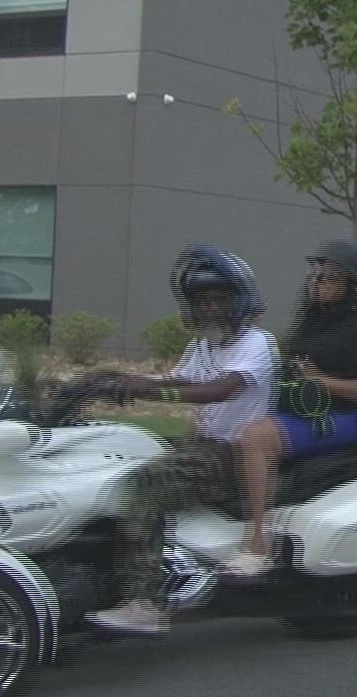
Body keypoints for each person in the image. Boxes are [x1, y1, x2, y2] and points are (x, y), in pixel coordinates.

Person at [77, 244, 278, 636]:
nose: (209, 308)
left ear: (239, 300)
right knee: (116, 456)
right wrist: (112, 378)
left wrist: (150, 392)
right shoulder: (204, 345)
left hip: (230, 455)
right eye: (201, 301)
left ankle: (145, 602)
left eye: (218, 299)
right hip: (201, 445)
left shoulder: (256, 343)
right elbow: (179, 382)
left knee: (144, 484)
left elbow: (218, 390)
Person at [225, 239, 357, 577]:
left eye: (330, 277)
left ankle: (259, 544)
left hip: (342, 417)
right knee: (229, 429)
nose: (319, 282)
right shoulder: (311, 322)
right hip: (303, 412)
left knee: (255, 439)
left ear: (350, 285)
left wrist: (323, 382)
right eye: (316, 275)